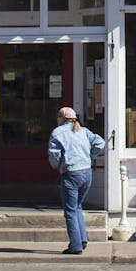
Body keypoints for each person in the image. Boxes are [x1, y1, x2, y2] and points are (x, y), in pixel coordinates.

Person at [48, 106, 106, 255]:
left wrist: (58, 167)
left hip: (71, 173)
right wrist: (90, 157)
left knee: (70, 211)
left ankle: (75, 246)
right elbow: (100, 143)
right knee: (77, 206)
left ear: (62, 118)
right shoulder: (83, 131)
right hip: (86, 173)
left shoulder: (57, 132)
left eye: (58, 116)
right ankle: (82, 239)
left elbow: (54, 157)